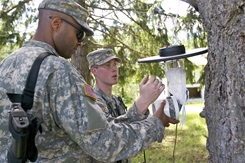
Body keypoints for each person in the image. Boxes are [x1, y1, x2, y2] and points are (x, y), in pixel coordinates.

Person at [0, 0, 179, 162]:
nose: (80, 43)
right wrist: (155, 124)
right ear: (56, 23)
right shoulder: (57, 70)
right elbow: (104, 144)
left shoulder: (5, 65)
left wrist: (139, 113)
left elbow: (99, 127)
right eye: (79, 34)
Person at [86, 49, 130, 163]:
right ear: (94, 70)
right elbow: (111, 135)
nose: (115, 68)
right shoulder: (92, 102)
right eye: (108, 65)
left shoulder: (116, 100)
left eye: (115, 64)